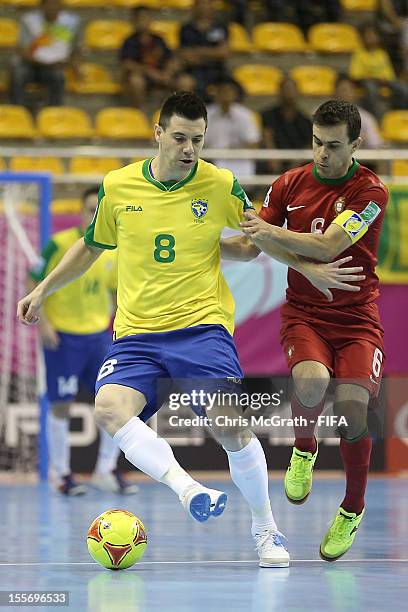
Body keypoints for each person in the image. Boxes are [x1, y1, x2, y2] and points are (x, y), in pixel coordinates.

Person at [18, 92, 364, 567]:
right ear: (157, 133)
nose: (188, 148)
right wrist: (44, 291)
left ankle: (267, 529)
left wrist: (305, 266)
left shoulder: (220, 183)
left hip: (201, 327)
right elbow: (91, 245)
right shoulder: (118, 186)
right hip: (137, 333)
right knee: (109, 408)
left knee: (230, 424)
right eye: (179, 137)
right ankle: (188, 490)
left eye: (197, 140)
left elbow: (255, 238)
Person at [224, 99, 388, 561]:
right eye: (317, 143)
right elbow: (252, 245)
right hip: (305, 312)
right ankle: (304, 448)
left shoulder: (371, 192)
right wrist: (208, 246)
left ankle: (352, 509)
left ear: (355, 144)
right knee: (311, 382)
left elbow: (330, 243)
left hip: (358, 318)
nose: (322, 154)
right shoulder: (288, 183)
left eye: (333, 146)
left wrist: (269, 234)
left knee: (355, 411)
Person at [29, 187, 138, 496]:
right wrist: (44, 325)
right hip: (62, 337)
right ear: (81, 211)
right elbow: (33, 280)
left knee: (113, 403)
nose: (94, 215)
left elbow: (116, 292)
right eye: (89, 209)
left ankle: (105, 470)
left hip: (97, 338)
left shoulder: (113, 250)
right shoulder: (60, 244)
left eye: (98, 210)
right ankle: (60, 474)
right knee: (61, 404)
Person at [10, 0, 80, 107]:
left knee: (59, 76)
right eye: (49, 3)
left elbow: (75, 49)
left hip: (54, 67)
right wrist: (41, 62)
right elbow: (21, 50)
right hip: (29, 64)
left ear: (61, 5)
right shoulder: (28, 20)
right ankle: (18, 111)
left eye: (55, 3)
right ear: (41, 6)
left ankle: (54, 111)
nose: (52, 7)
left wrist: (71, 65)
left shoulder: (71, 22)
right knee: (18, 72)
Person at [119, 6, 179, 109]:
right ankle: (140, 112)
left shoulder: (159, 40)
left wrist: (167, 73)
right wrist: (150, 73)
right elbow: (127, 63)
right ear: (134, 21)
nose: (144, 22)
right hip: (143, 77)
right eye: (140, 19)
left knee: (184, 82)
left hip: (161, 75)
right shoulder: (129, 41)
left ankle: (177, 113)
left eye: (147, 18)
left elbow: (171, 59)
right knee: (136, 81)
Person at [205, 76, 260, 180]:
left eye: (229, 91)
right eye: (223, 91)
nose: (226, 94)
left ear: (235, 94)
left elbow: (253, 143)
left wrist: (235, 152)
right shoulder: (205, 114)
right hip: (211, 160)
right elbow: (199, 142)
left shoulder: (245, 115)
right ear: (216, 93)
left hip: (239, 159)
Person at [349, 22, 408, 118]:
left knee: (402, 87)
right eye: (367, 35)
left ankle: (402, 113)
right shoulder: (359, 54)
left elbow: (389, 74)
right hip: (368, 81)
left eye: (372, 34)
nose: (370, 37)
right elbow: (356, 75)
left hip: (383, 81)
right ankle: (375, 117)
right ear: (362, 37)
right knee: (371, 88)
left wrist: (384, 79)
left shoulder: (382, 54)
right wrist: (373, 77)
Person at [261, 77, 312, 174]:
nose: (289, 93)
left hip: (297, 163)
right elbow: (267, 137)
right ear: (279, 92)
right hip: (274, 160)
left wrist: (297, 162)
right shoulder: (268, 115)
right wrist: (273, 158)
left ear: (298, 93)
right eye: (286, 89)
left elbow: (309, 145)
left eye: (292, 89)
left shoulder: (305, 120)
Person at [179, 0, 229, 99]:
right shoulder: (186, 29)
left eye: (208, 3)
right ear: (195, 7)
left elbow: (224, 53)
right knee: (184, 83)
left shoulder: (220, 27)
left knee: (230, 90)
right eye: (202, 3)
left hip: (217, 71)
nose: (205, 6)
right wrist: (213, 53)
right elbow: (187, 57)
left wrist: (198, 51)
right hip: (194, 72)